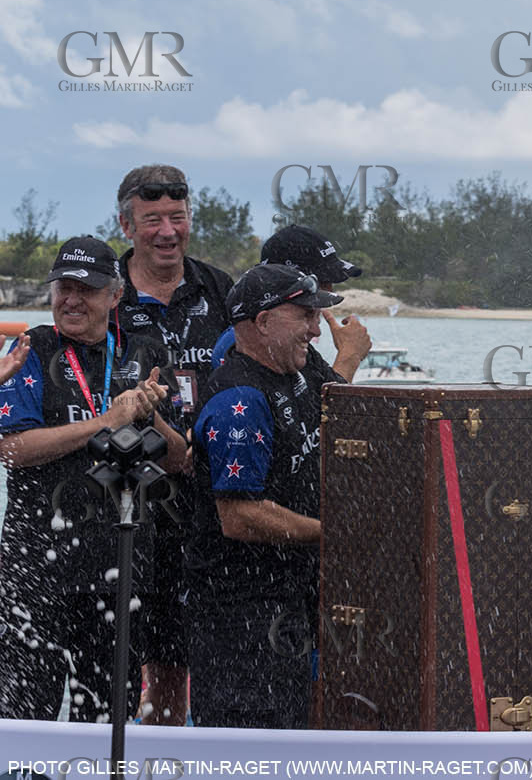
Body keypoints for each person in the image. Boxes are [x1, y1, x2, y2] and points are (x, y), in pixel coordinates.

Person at [0, 236, 187, 722]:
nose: (72, 300)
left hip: (119, 561)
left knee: (108, 721)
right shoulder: (31, 349)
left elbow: (178, 459)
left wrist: (150, 419)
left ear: (115, 296)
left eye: (86, 289)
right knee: (24, 717)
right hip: (36, 565)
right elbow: (13, 451)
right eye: (64, 287)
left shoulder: (143, 351)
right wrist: (105, 420)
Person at [186, 264, 343, 729]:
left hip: (288, 602)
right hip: (241, 618)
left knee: (294, 728)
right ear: (262, 321)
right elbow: (239, 516)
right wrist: (337, 537)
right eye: (305, 317)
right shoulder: (242, 398)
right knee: (255, 742)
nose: (316, 330)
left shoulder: (294, 373)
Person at [114, 164, 234, 723]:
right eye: (152, 220)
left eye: (177, 218)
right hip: (124, 491)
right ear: (126, 225)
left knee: (189, 646)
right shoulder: (102, 289)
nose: (167, 231)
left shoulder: (218, 288)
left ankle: (183, 751)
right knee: (128, 642)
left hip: (205, 492)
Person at [211, 224, 372, 382]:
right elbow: (328, 404)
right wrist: (350, 355)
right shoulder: (242, 341)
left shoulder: (289, 339)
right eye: (321, 281)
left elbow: (321, 398)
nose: (329, 290)